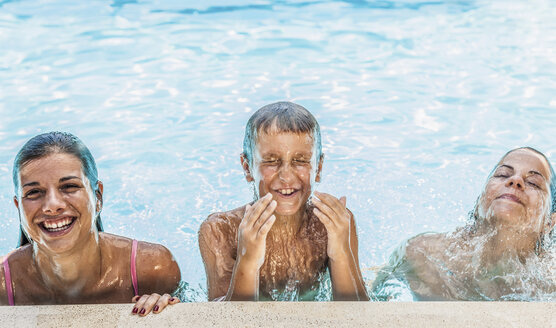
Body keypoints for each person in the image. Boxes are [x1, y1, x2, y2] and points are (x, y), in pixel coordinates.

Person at [198, 101, 369, 301]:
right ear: (247, 167)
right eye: (271, 161)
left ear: (319, 168)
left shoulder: (332, 225)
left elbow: (358, 313)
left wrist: (341, 252)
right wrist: (248, 260)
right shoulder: (221, 231)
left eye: (300, 161)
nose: (286, 176)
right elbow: (219, 320)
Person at [0, 131, 181, 315]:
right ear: (18, 206)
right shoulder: (3, 285)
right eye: (34, 192)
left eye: (69, 186)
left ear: (98, 197)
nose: (52, 206)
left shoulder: (152, 268)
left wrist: (165, 307)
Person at [373, 147, 556, 301]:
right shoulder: (424, 255)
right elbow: (365, 307)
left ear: (550, 222)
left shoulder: (551, 283)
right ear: (479, 203)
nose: (515, 180)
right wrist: (343, 249)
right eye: (503, 174)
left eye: (533, 182)